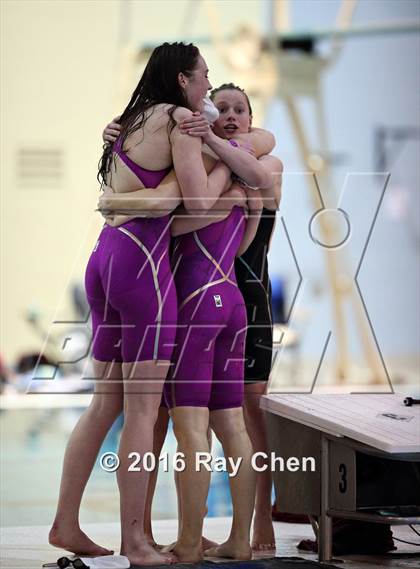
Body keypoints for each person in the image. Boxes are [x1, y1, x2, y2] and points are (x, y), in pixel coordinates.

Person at [49, 42, 233, 566]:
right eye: (203, 77)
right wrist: (218, 171)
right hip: (144, 271)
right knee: (143, 412)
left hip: (104, 261)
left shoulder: (128, 121)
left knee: (103, 404)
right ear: (182, 80)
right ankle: (135, 542)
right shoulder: (178, 118)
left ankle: (65, 524)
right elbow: (198, 203)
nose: (207, 87)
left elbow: (140, 185)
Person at [100, 84, 283, 558]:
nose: (228, 115)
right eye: (220, 108)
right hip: (233, 299)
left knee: (191, 430)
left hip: (196, 305)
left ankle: (188, 542)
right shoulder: (246, 181)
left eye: (238, 109)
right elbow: (242, 244)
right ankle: (239, 541)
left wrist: (125, 209)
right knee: (233, 428)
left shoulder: (210, 171)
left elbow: (174, 223)